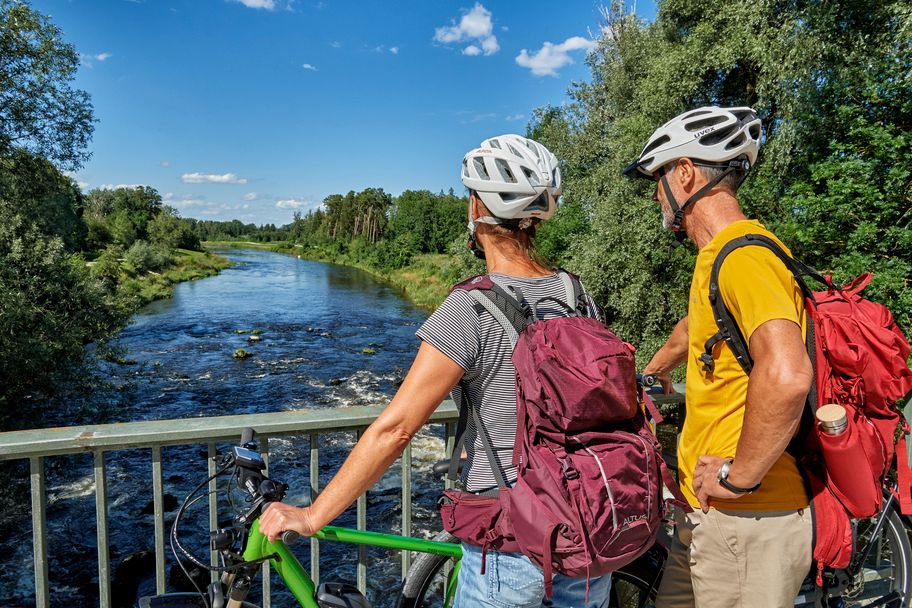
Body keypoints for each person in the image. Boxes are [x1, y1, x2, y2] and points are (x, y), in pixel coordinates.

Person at [260, 134, 612, 607]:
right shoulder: (575, 293)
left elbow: (398, 428)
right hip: (586, 532)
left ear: (476, 208)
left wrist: (313, 516)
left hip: (512, 545)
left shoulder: (469, 307)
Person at [623, 106, 814, 608]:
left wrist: (738, 477)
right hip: (708, 518)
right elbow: (697, 329)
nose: (655, 195)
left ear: (685, 173)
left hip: (750, 519)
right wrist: (653, 369)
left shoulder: (745, 257)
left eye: (658, 177)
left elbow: (789, 372)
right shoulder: (718, 256)